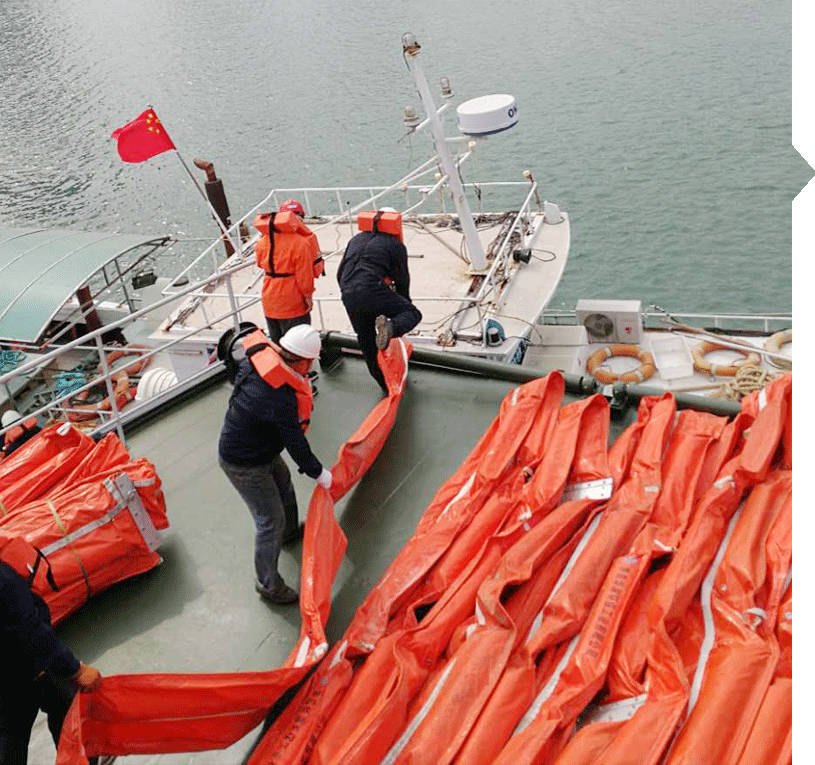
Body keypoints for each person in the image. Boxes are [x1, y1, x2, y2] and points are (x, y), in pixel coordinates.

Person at [217, 324, 332, 605]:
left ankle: (289, 533)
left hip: (261, 449)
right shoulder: (278, 395)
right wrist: (319, 473)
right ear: (303, 361)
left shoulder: (258, 363)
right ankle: (268, 584)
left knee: (285, 488)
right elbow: (295, 441)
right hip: (243, 463)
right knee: (270, 521)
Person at [0, 542, 103, 765]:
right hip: (28, 669)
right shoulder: (3, 578)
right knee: (72, 713)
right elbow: (28, 629)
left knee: (10, 737)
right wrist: (75, 670)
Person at [337, 208, 422, 393]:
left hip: (348, 292)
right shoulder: (395, 245)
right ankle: (391, 327)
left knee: (366, 341)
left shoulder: (355, 240)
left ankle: (384, 386)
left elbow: (340, 272)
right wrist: (403, 304)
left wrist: (349, 294)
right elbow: (402, 279)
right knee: (412, 314)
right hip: (372, 290)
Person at [254, 199, 325, 343]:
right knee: (299, 345)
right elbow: (304, 276)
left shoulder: (262, 242)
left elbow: (260, 264)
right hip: (293, 302)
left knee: (278, 345)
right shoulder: (301, 243)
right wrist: (308, 297)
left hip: (269, 300)